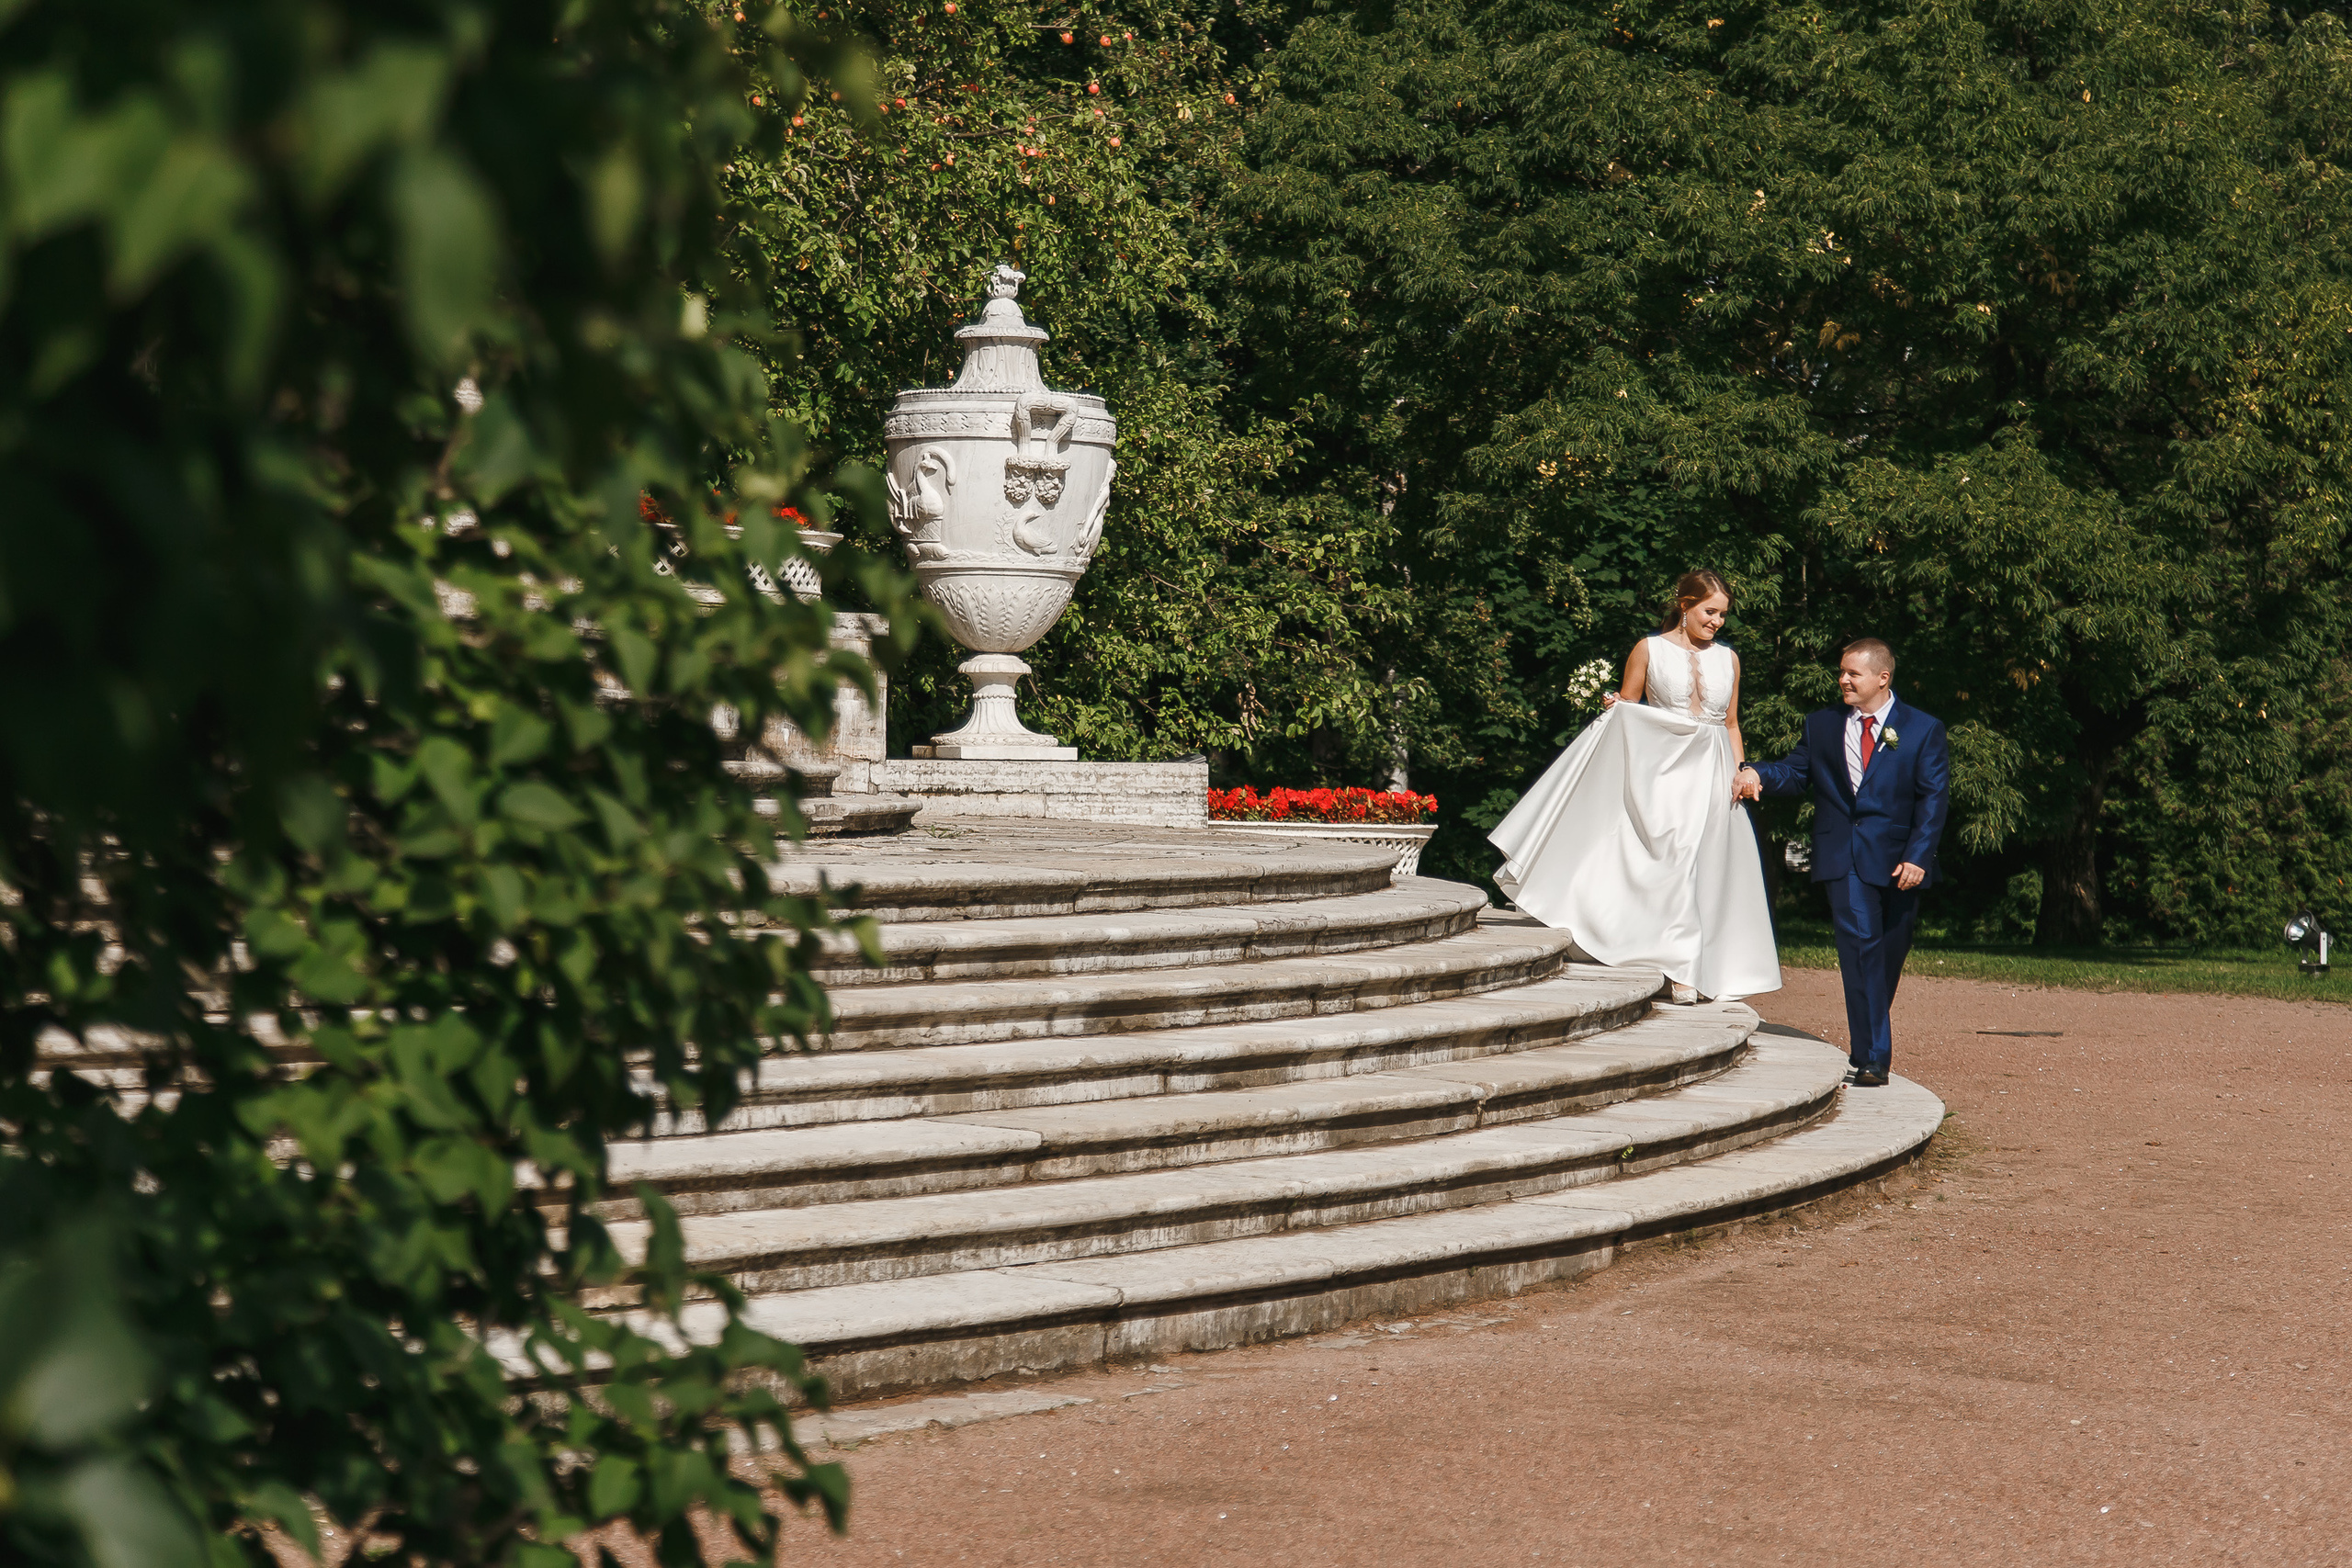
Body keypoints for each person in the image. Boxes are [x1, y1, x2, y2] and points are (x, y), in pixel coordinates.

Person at [1487, 570, 1781, 1004]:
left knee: (1702, 866)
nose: (1717, 622)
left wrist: (1741, 769)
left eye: (1723, 615)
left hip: (1714, 771)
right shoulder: (1649, 648)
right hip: (1662, 770)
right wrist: (1614, 704)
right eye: (1709, 611)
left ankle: (1689, 967)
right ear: (1685, 606)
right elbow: (1629, 707)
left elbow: (1732, 723)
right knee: (1674, 856)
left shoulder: (1729, 659)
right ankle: (1677, 963)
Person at [1734, 638, 1950, 1088]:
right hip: (1843, 856)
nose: (1843, 680)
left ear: (1882, 678)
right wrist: (1757, 772)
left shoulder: (1923, 728)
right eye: (1842, 671)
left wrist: (1918, 856)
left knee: (1887, 955)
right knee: (1861, 948)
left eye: (1853, 673)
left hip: (1900, 860)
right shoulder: (1822, 724)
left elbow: (1933, 798)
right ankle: (1873, 1058)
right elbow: (1796, 773)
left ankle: (1868, 1035)